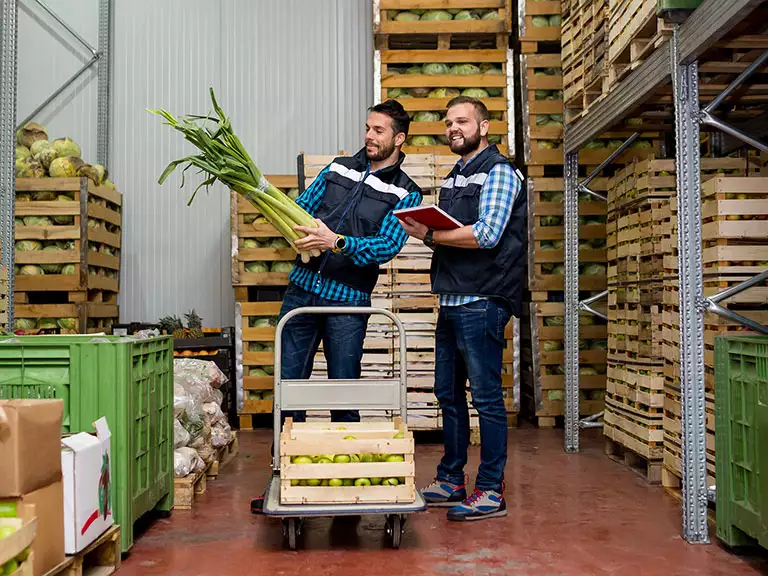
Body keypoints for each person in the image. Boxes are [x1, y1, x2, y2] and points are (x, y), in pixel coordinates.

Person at [250, 99, 423, 513]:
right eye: (367, 128)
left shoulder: (406, 192)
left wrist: (338, 242)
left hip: (348, 303)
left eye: (378, 131)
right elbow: (304, 207)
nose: (368, 136)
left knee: (344, 388)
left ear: (399, 139)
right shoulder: (338, 168)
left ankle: (345, 479)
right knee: (289, 388)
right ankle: (283, 474)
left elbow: (386, 246)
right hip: (301, 296)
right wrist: (298, 230)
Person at [399, 96, 525, 522]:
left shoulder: (500, 173)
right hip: (452, 298)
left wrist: (430, 238)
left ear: (484, 127)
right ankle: (452, 479)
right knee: (448, 394)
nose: (453, 127)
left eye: (462, 121)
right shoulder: (456, 176)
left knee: (486, 399)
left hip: (483, 299)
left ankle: (490, 489)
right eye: (448, 121)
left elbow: (487, 234)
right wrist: (422, 229)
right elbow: (452, 232)